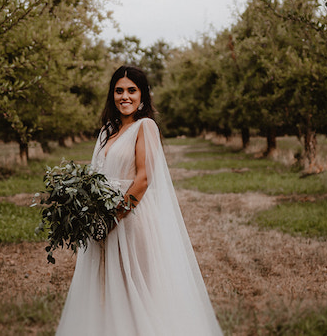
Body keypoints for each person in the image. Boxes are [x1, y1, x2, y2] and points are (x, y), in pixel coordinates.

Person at [56, 65, 223, 336]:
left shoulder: (145, 127)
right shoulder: (107, 131)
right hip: (103, 223)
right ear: (112, 95)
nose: (125, 96)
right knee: (109, 292)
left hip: (130, 220)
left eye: (131, 90)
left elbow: (143, 179)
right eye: (119, 91)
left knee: (138, 294)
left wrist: (112, 218)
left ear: (142, 95)